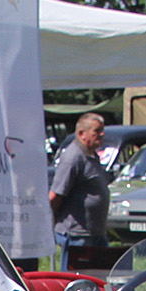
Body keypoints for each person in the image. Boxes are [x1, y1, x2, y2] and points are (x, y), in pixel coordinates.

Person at [49, 112, 110, 268]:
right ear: (82, 133)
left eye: (102, 130)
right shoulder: (73, 157)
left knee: (100, 279)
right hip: (77, 236)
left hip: (95, 234)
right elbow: (55, 195)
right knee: (75, 282)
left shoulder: (91, 155)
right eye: (97, 131)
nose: (102, 134)